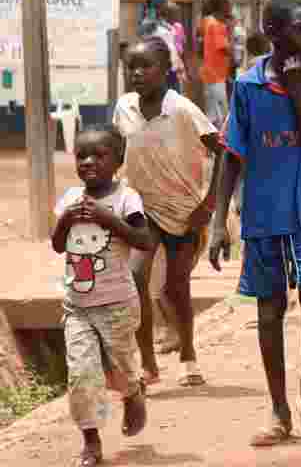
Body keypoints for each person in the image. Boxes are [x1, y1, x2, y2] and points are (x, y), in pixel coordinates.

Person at [208, 0, 301, 445]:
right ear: (273, 33)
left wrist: (298, 92)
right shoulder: (248, 85)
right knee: (270, 310)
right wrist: (217, 220)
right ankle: (279, 408)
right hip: (263, 213)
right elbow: (232, 157)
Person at [113, 37, 223, 388]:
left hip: (183, 209)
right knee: (135, 278)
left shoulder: (181, 109)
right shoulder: (124, 108)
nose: (138, 73)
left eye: (147, 66)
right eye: (132, 66)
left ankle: (189, 353)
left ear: (165, 71)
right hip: (140, 208)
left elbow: (223, 151)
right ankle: (147, 363)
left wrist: (209, 205)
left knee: (177, 287)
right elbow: (117, 151)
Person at [52, 125, 156, 467]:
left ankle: (132, 393)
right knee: (82, 374)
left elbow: (144, 240)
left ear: (118, 160)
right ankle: (91, 440)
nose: (89, 162)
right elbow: (57, 245)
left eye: (99, 155)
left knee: (123, 369)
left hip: (117, 306)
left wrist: (109, 219)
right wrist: (66, 220)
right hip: (77, 307)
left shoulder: (127, 199)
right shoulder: (69, 199)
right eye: (82, 155)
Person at [199, 0, 234, 130]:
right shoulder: (218, 26)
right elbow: (225, 49)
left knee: (212, 113)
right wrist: (230, 32)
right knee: (221, 115)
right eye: (228, 4)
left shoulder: (207, 21)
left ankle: (211, 148)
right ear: (223, 6)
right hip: (216, 75)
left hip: (209, 73)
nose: (230, 8)